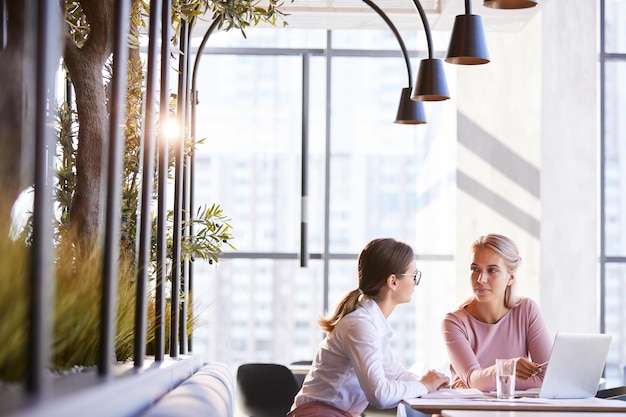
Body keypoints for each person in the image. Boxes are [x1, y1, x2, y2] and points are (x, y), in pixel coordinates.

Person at [289, 238, 449, 417]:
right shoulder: (360, 326)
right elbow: (380, 394)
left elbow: (393, 372)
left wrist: (430, 383)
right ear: (393, 281)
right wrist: (423, 386)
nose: (415, 283)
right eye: (414, 276)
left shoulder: (370, 321)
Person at [441, 233, 552, 392]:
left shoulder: (527, 310)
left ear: (510, 278)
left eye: (492, 270)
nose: (481, 279)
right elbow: (473, 380)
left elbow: (547, 379)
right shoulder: (454, 322)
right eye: (475, 269)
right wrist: (508, 369)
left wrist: (483, 383)